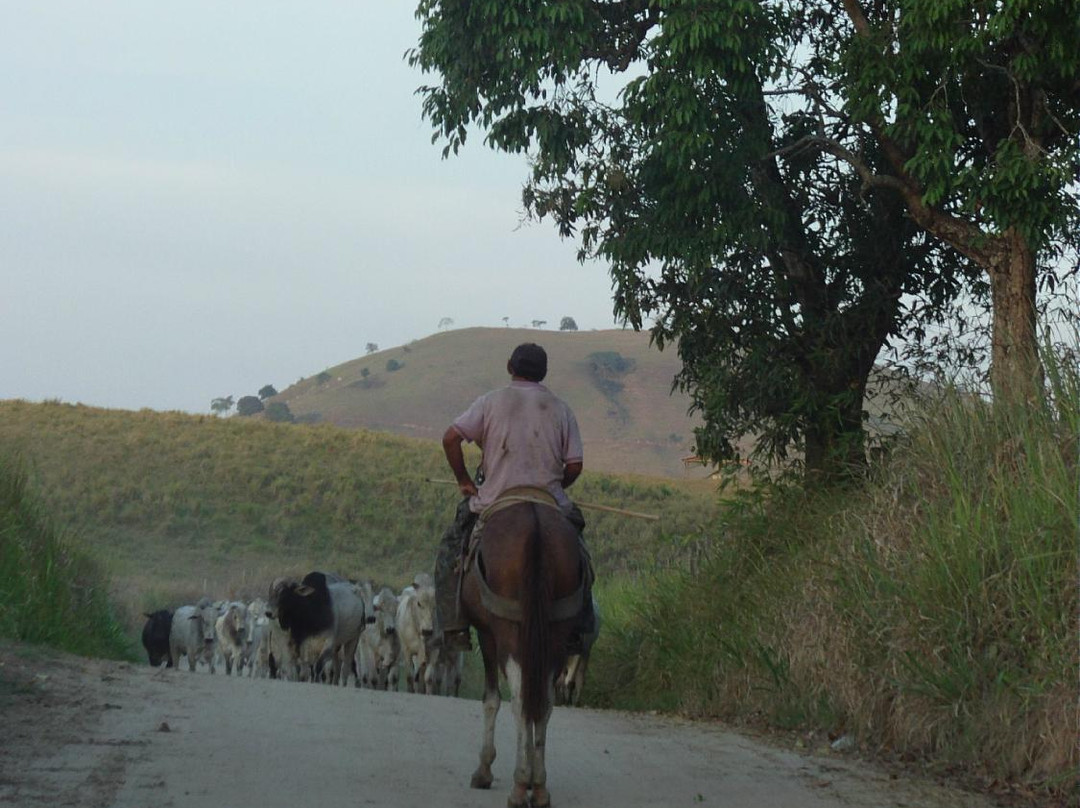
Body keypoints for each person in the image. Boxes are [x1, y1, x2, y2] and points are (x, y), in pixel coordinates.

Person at [434, 342, 594, 653]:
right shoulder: (561, 409)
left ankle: (453, 626)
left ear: (510, 367)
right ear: (544, 373)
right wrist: (556, 483)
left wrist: (465, 480)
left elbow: (450, 438)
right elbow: (574, 465)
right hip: (550, 500)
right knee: (581, 555)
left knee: (450, 548)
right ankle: (580, 624)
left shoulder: (489, 402)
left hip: (494, 499)